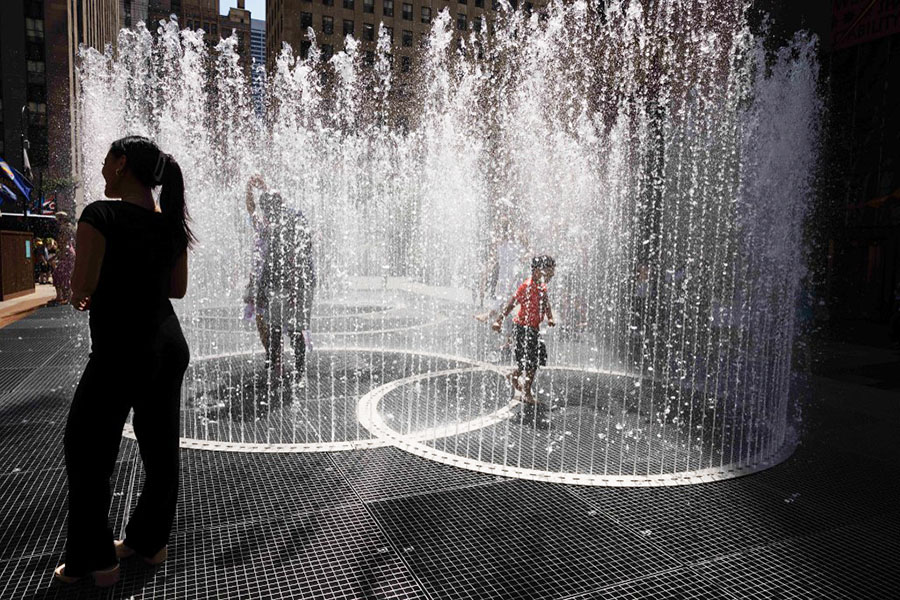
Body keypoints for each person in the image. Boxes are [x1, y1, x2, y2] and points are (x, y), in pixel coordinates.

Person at [53, 136, 193, 587]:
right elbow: (177, 290)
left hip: (119, 350)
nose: (100, 166)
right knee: (160, 451)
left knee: (87, 450)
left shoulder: (100, 214)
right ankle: (149, 542)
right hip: (167, 346)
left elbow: (81, 288)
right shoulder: (171, 223)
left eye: (106, 159)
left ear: (122, 164)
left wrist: (87, 291)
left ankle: (96, 562)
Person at [246, 175, 315, 395]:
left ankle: (299, 373)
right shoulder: (272, 223)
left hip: (298, 283)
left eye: (269, 212)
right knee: (275, 328)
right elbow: (271, 261)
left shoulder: (292, 221)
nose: (267, 217)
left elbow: (300, 255)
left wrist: (295, 289)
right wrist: (263, 289)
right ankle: (276, 369)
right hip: (279, 284)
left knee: (294, 329)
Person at [492, 255, 556, 427]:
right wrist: (499, 319)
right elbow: (512, 303)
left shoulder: (542, 287)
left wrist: (550, 317)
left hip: (533, 329)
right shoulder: (526, 286)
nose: (552, 275)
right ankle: (526, 392)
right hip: (522, 329)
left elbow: (546, 304)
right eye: (549, 271)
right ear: (537, 271)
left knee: (535, 359)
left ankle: (514, 375)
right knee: (530, 360)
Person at [51, 213, 76, 305]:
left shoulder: (64, 228)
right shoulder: (71, 227)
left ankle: (62, 297)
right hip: (70, 251)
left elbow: (64, 242)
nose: (57, 221)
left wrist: (58, 255)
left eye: (58, 219)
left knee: (59, 274)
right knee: (66, 275)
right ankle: (67, 296)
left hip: (67, 252)